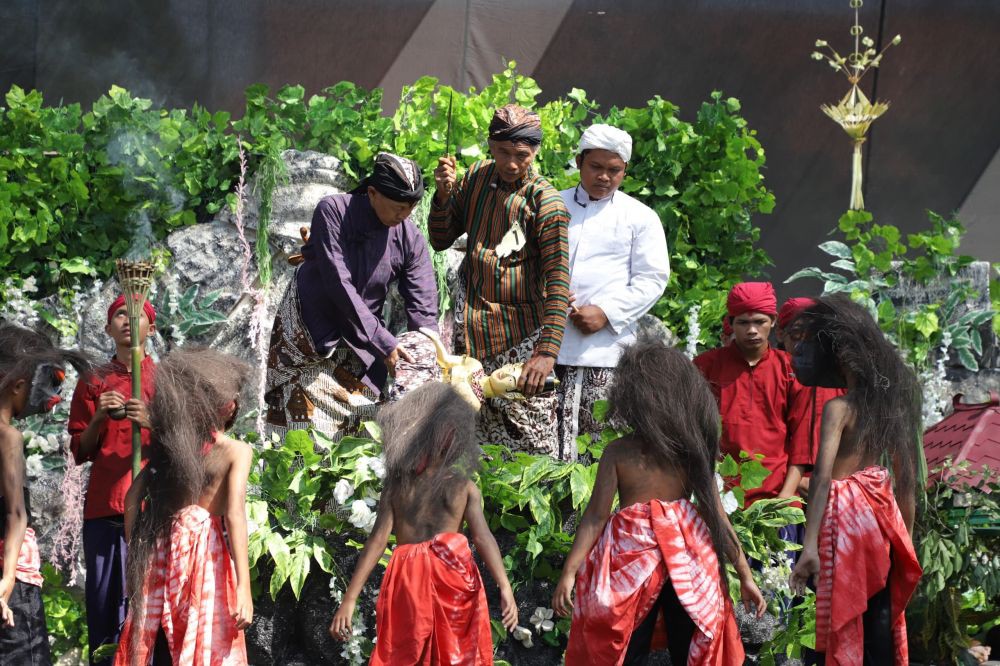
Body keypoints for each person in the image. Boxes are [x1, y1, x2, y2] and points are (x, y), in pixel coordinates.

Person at [552, 339, 764, 665]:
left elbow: (596, 517)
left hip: (631, 557)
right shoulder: (684, 452)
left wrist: (571, 570)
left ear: (631, 398)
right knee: (683, 642)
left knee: (628, 644)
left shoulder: (623, 452)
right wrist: (744, 575)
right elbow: (715, 517)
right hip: (688, 557)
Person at [329, 382, 518, 664]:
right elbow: (483, 538)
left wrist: (350, 599)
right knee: (456, 653)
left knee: (405, 652)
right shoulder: (463, 487)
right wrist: (505, 587)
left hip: (409, 580)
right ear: (457, 437)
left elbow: (378, 541)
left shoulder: (397, 486)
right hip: (452, 576)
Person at [265, 152, 439, 439]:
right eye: (398, 207)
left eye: (410, 208)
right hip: (311, 335)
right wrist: (383, 341)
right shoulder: (332, 210)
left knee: (357, 436)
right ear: (372, 193)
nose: (404, 216)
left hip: (359, 343)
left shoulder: (410, 237)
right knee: (301, 439)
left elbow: (423, 307)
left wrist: (429, 351)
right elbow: (339, 283)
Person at [789, 296, 922, 665]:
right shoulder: (891, 410)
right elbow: (907, 485)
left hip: (841, 528)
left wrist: (809, 546)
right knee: (878, 614)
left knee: (839, 616)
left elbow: (822, 479)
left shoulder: (839, 409)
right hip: (880, 524)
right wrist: (903, 545)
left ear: (839, 358)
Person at [430, 104, 570, 454]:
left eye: (521, 155)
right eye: (503, 152)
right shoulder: (476, 177)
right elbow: (441, 238)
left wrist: (546, 354)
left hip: (519, 338)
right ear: (490, 145)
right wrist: (445, 195)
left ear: (535, 152)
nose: (511, 163)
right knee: (464, 439)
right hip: (470, 334)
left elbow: (558, 282)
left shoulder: (546, 204)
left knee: (528, 442)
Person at [115, 348, 253, 666]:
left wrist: (137, 547)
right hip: (205, 556)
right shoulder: (236, 450)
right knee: (199, 638)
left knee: (159, 639)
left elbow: (130, 501)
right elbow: (234, 515)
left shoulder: (171, 446)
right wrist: (244, 587)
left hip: (160, 551)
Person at [555, 124, 669, 460]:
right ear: (579, 162)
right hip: (547, 349)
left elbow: (653, 278)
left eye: (614, 170)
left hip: (605, 352)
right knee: (543, 449)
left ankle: (596, 515)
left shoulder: (639, 218)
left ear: (625, 171)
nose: (604, 177)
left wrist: (605, 311)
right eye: (596, 167)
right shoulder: (552, 205)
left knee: (598, 449)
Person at [67, 295, 156, 665]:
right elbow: (79, 450)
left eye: (136, 316)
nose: (126, 321)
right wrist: (100, 419)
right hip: (105, 509)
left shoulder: (163, 379)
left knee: (149, 604)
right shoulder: (95, 380)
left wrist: (152, 421)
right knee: (105, 604)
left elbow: (184, 445)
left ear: (150, 328)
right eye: (119, 314)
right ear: (107, 327)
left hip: (151, 510)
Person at [0, 324, 88, 665]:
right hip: (12, 579)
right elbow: (16, 515)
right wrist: (7, 581)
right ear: (18, 385)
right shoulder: (8, 438)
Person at [693, 282, 811, 505]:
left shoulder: (791, 369)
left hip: (778, 495)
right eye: (743, 323)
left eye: (760, 322)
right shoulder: (704, 366)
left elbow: (801, 439)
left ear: (773, 321)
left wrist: (785, 498)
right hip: (720, 495)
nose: (752, 330)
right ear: (730, 323)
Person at [775, 297, 845, 496]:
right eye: (797, 335)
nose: (804, 346)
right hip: (785, 483)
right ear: (781, 334)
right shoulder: (780, 372)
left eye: (812, 337)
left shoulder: (839, 377)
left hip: (836, 483)